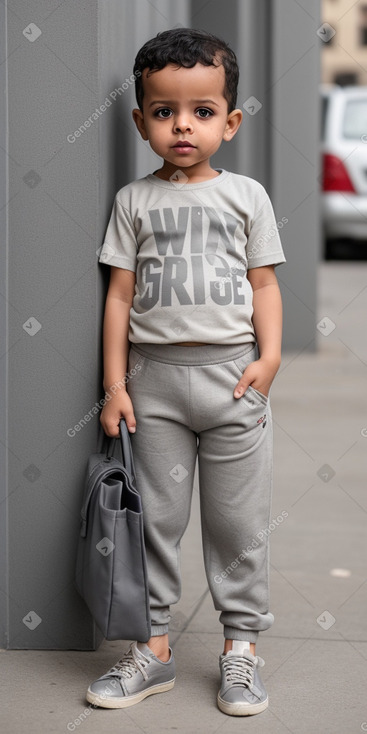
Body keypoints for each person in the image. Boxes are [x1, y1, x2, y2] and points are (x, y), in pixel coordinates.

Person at [86, 27, 286, 717]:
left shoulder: (246, 197)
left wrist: (268, 359)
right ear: (140, 121)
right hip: (155, 387)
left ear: (229, 122)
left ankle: (240, 650)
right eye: (164, 111)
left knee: (237, 525)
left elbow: (263, 285)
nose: (182, 126)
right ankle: (155, 650)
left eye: (201, 112)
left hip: (233, 381)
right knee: (156, 524)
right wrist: (114, 386)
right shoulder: (133, 202)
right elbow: (117, 296)